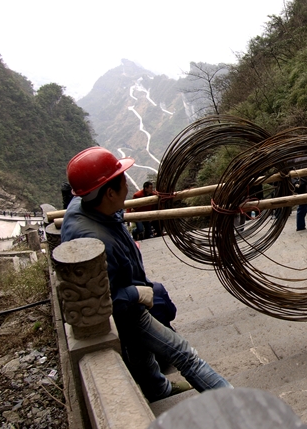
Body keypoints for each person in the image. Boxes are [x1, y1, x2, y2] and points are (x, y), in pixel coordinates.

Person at [61, 147, 232, 402]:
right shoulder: (94, 241)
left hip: (130, 291)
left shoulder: (87, 205)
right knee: (183, 354)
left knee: (140, 351)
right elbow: (103, 302)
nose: (127, 191)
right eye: (122, 184)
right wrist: (135, 293)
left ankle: (158, 390)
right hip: (129, 309)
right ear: (109, 193)